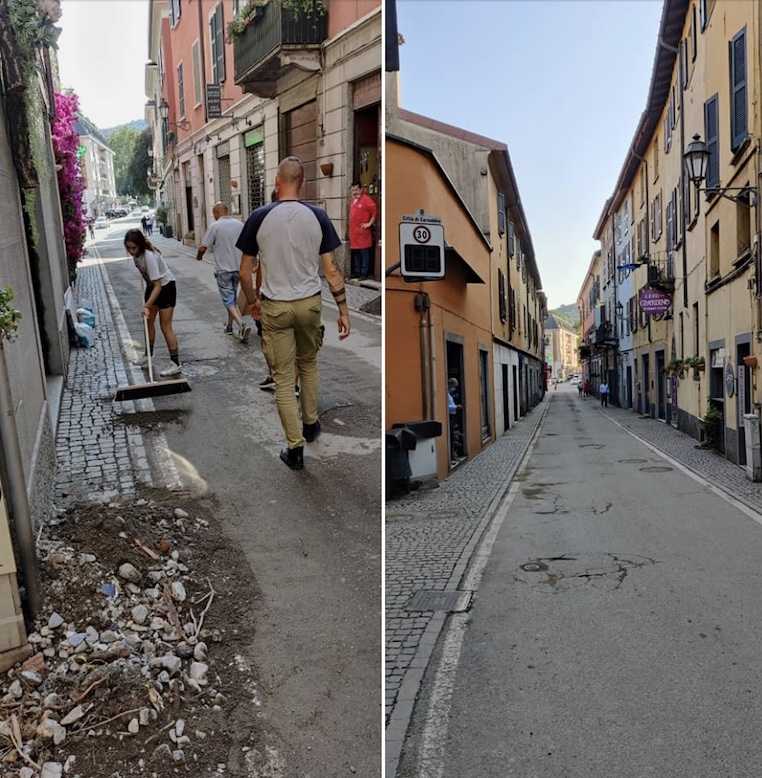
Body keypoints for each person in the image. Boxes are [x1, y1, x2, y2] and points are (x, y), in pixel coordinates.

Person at [238, 156, 349, 470]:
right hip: (309, 303)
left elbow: (245, 272)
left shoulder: (259, 217)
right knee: (309, 364)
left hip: (275, 306)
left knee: (284, 379)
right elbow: (331, 271)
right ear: (303, 182)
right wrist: (343, 310)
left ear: (276, 182)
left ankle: (295, 448)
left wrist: (253, 304)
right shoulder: (318, 216)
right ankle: (311, 424)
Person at [123, 229, 182, 377]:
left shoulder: (149, 256)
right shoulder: (137, 256)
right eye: (128, 247)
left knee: (165, 326)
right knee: (148, 321)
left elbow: (158, 285)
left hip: (166, 286)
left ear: (141, 245)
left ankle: (176, 364)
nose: (131, 251)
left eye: (133, 248)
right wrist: (147, 304)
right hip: (153, 286)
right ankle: (148, 356)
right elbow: (149, 281)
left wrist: (147, 305)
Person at [197, 202, 251, 343]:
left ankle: (241, 324)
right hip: (238, 268)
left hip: (224, 270)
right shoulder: (239, 224)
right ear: (227, 211)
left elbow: (203, 247)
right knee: (232, 298)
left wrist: (198, 256)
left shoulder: (215, 226)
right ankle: (229, 326)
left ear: (216, 213)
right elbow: (248, 245)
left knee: (228, 300)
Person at [348, 182, 376, 279]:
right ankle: (357, 272)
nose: (354, 192)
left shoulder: (367, 200)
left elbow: (374, 212)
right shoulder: (353, 201)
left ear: (360, 189)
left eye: (356, 190)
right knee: (356, 253)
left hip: (362, 233)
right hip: (354, 233)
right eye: (352, 190)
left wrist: (369, 223)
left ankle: (364, 273)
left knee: (364, 253)